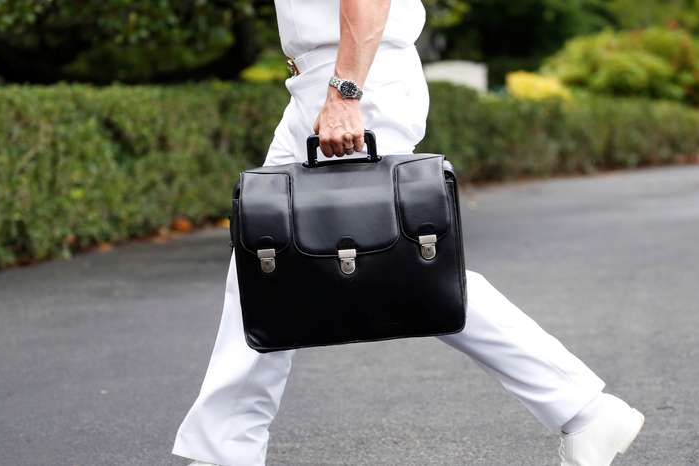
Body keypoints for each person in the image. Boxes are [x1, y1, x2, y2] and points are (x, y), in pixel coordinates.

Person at [173, 1, 644, 465]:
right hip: (331, 78)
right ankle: (226, 448)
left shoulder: (347, 87)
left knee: (404, 269)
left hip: (354, 79)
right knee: (264, 259)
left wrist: (344, 93)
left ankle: (585, 410)